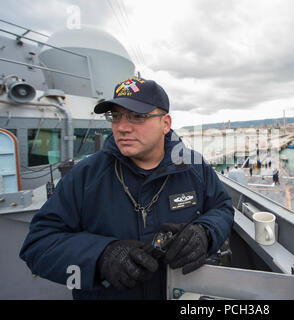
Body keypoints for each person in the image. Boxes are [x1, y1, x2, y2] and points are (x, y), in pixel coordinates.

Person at [19, 77, 234, 300]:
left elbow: (222, 208)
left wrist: (205, 233)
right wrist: (101, 256)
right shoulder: (85, 177)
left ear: (166, 123)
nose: (122, 127)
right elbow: (38, 246)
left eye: (137, 117)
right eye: (116, 116)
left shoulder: (193, 167)